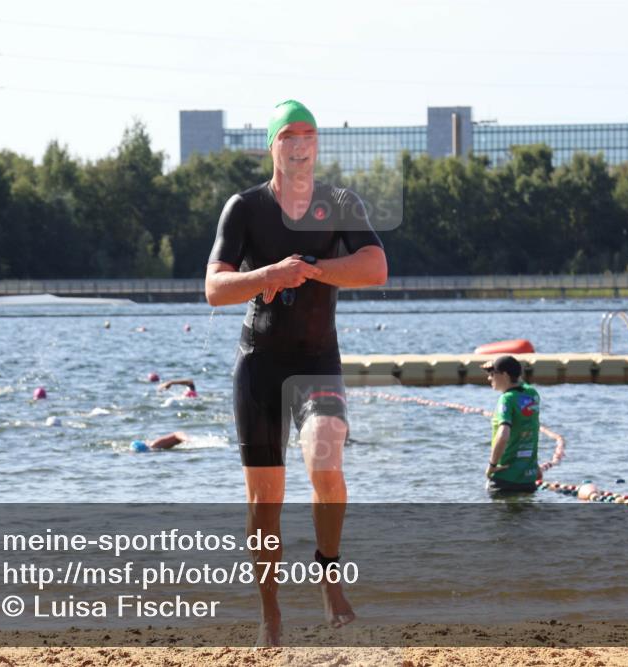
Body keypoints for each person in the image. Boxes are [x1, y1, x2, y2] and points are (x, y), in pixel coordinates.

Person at [205, 100, 387, 646]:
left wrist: (309, 271)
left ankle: (328, 574)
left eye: (309, 134)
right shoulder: (245, 208)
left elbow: (376, 268)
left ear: (316, 144)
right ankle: (270, 612)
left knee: (326, 457)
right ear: (273, 146)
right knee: (265, 501)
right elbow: (215, 288)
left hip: (316, 361)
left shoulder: (339, 203)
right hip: (259, 364)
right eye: (289, 135)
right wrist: (269, 274)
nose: (300, 143)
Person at [483, 356, 541, 493]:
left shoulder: (506, 399)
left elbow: (503, 435)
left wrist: (491, 465)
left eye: (493, 374)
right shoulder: (532, 394)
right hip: (528, 478)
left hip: (505, 478)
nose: (489, 378)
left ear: (505, 375)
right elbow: (531, 429)